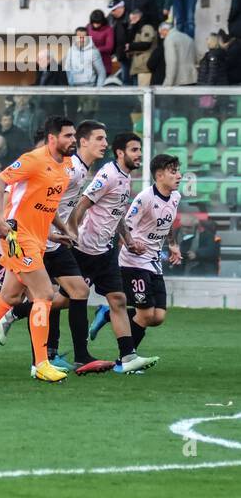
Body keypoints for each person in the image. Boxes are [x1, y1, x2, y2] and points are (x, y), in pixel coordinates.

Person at [0, 117, 77, 384]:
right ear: (53, 138)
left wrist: (59, 230)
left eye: (74, 136)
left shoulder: (66, 166)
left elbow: (46, 205)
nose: (73, 140)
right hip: (18, 236)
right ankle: (42, 363)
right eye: (68, 136)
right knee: (44, 293)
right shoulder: (33, 159)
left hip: (37, 238)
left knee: (8, 297)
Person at [0, 120, 117, 374]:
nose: (105, 144)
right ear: (83, 142)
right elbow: (20, 193)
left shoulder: (79, 169)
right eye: (100, 139)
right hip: (30, 237)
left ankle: (76, 356)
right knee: (20, 296)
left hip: (50, 239)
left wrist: (64, 230)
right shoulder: (69, 168)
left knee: (74, 291)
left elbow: (59, 205)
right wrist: (5, 222)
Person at [71, 133, 158, 373]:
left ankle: (128, 357)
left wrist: (128, 241)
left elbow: (116, 213)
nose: (139, 154)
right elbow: (83, 203)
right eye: (134, 150)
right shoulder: (108, 174)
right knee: (62, 300)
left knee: (118, 300)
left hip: (105, 250)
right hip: (85, 248)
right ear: (120, 153)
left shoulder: (125, 177)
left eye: (139, 149)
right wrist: (71, 233)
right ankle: (17, 310)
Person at [113, 154, 182, 361]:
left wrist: (172, 244)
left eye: (179, 171)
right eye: (173, 172)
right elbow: (123, 225)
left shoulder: (175, 196)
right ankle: (126, 359)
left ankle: (108, 315)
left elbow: (167, 223)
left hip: (153, 262)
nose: (179, 176)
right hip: (133, 262)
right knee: (145, 314)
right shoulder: (144, 198)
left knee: (158, 317)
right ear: (159, 175)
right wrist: (131, 245)